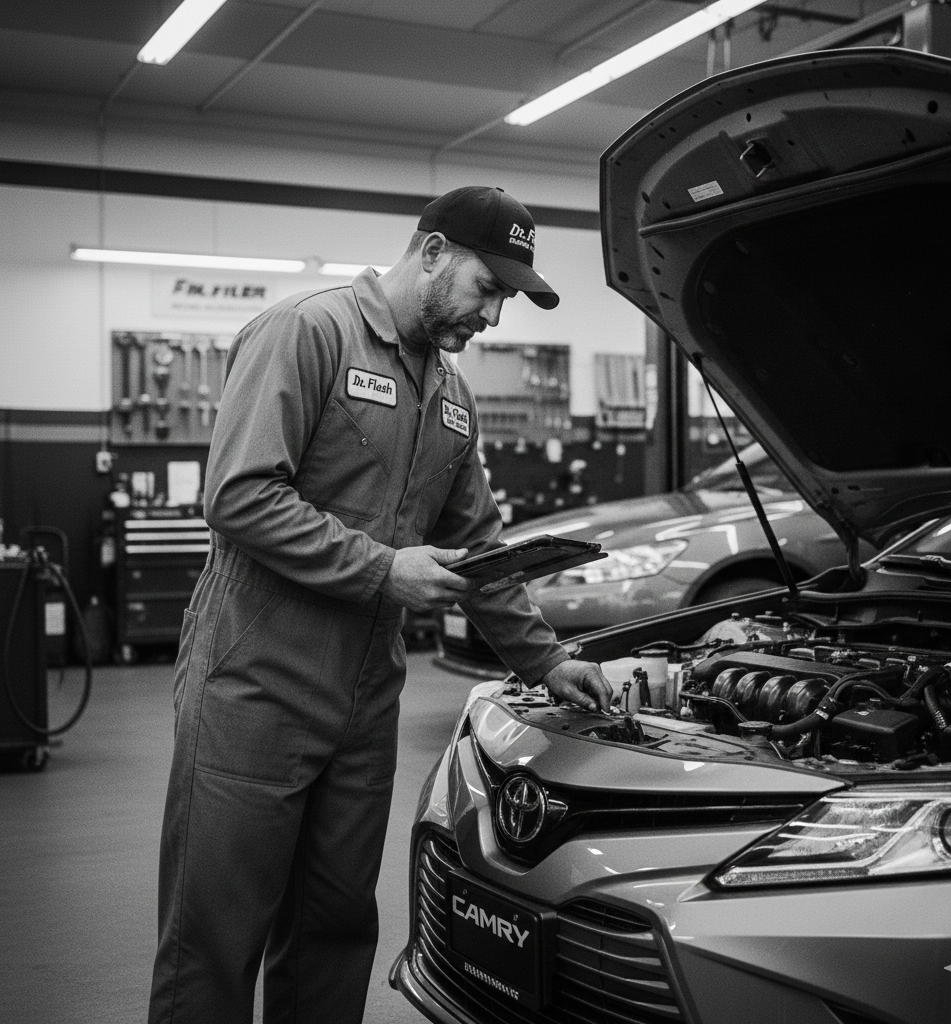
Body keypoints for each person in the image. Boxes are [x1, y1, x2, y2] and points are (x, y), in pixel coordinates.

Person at [148, 185, 613, 1024]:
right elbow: (241, 496)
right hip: (254, 687)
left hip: (364, 707)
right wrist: (382, 571)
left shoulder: (452, 397)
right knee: (212, 939)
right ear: (431, 253)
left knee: (334, 930)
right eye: (488, 287)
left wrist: (549, 659)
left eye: (508, 296)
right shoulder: (307, 333)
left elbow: (481, 551)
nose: (495, 315)